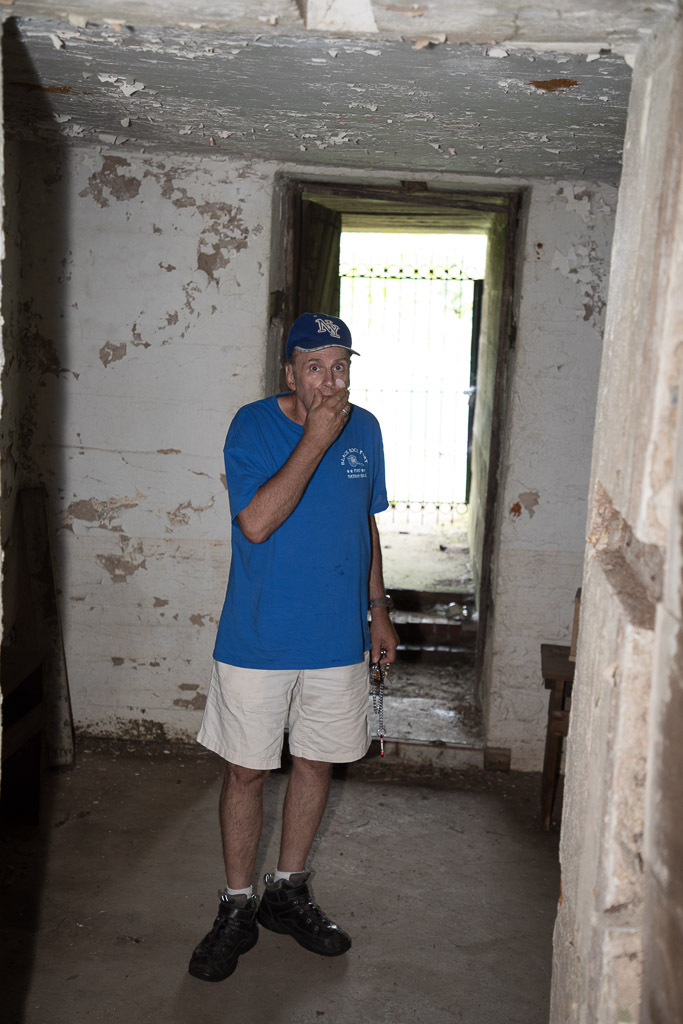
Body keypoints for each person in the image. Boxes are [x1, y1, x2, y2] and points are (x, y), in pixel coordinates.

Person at [188, 312, 398, 983]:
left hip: (337, 636)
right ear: (289, 372)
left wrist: (378, 610)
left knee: (315, 762)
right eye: (314, 367)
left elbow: (365, 524)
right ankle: (236, 905)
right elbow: (255, 522)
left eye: (340, 366)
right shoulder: (252, 426)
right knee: (248, 771)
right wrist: (314, 440)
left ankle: (287, 891)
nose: (330, 381)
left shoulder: (366, 428)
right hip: (259, 636)